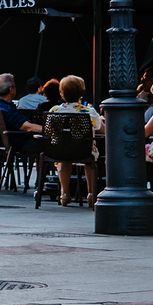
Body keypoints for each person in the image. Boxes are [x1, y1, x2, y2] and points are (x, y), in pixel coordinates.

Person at [48, 74, 102, 206]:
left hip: (60, 150)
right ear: (81, 93)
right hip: (84, 150)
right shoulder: (88, 111)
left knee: (63, 162)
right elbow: (99, 127)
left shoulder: (54, 110)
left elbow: (49, 129)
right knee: (90, 163)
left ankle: (64, 193)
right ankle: (91, 194)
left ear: (61, 93)